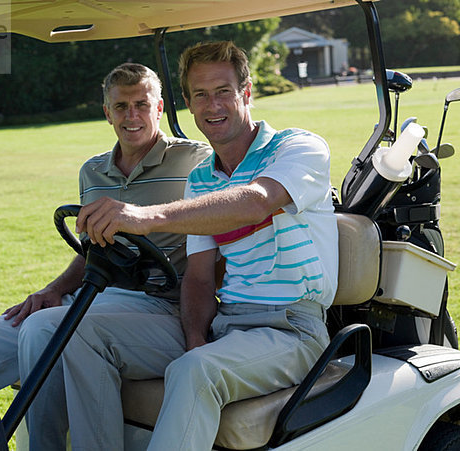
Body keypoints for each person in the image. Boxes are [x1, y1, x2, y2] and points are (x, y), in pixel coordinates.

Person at [62, 41, 338, 450]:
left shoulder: (297, 147)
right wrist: (194, 335)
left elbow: (255, 202)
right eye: (200, 95)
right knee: (80, 334)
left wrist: (147, 217)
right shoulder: (202, 181)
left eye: (223, 91)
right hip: (226, 324)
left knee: (195, 371)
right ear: (189, 105)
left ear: (246, 93)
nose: (213, 106)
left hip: (292, 328)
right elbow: (198, 277)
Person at [0, 62, 211, 450]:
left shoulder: (194, 160)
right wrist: (54, 289)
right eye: (121, 106)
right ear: (107, 112)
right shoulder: (93, 171)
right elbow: (94, 250)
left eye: (142, 104)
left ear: (159, 108)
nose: (132, 115)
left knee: (44, 330)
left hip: (161, 304)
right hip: (97, 294)